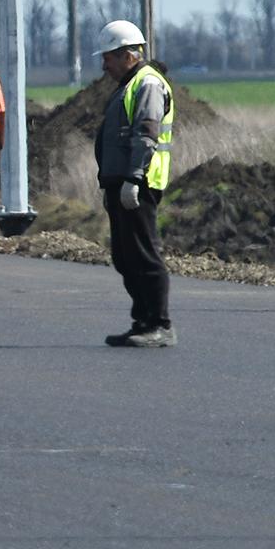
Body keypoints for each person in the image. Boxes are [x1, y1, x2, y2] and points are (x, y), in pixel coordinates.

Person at [94, 19, 177, 349]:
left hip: (139, 184)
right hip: (120, 184)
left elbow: (146, 135)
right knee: (124, 257)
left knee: (144, 255)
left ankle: (160, 324)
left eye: (109, 57)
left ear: (128, 54)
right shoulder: (129, 84)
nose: (105, 64)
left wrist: (133, 179)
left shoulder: (147, 84)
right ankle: (141, 320)